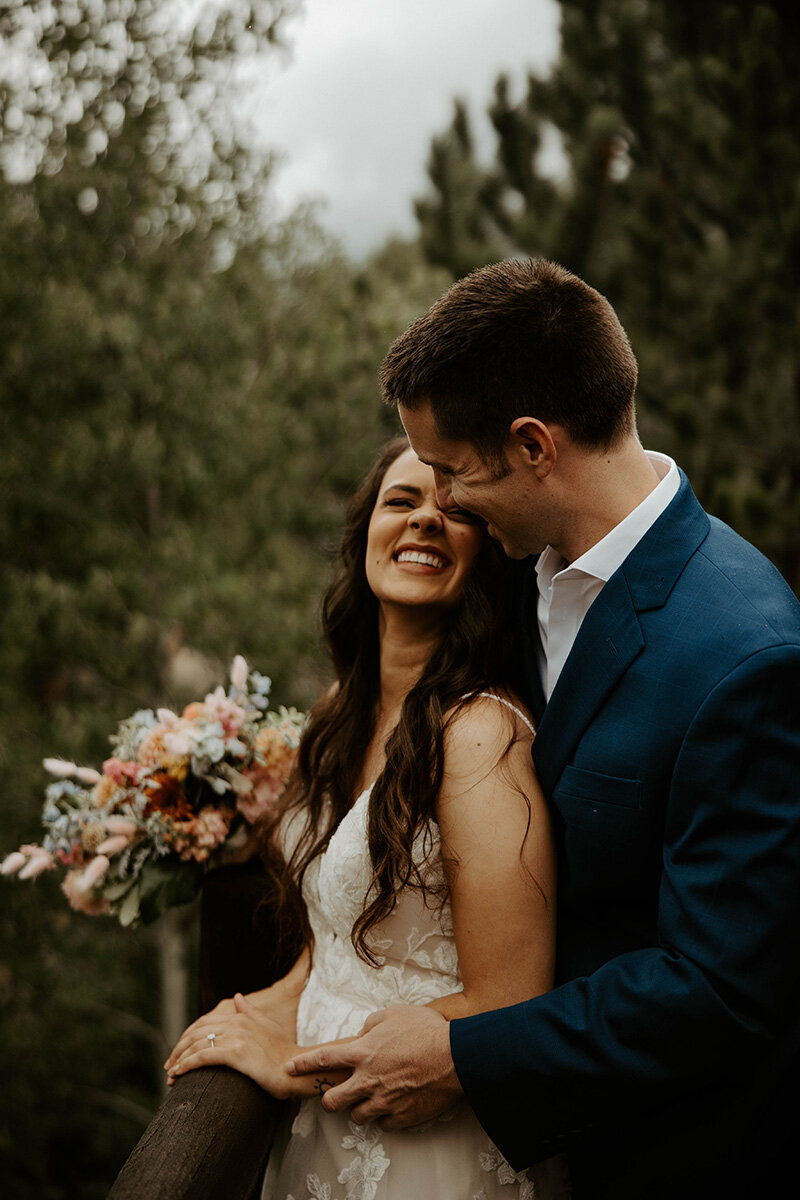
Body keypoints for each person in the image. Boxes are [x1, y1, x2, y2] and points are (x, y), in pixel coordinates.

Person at [285, 259, 800, 1200]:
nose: (440, 502)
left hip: (666, 1159)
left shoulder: (745, 654)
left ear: (533, 446)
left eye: (450, 471)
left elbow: (720, 991)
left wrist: (467, 1053)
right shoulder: (517, 576)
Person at [164, 437, 572, 1199]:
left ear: (489, 552)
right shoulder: (337, 716)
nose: (424, 520)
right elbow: (338, 939)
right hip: (325, 1140)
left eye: (454, 510)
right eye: (400, 501)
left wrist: (289, 1060)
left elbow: (510, 1001)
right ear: (364, 540)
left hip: (432, 1149)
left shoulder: (480, 736)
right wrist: (266, 1005)